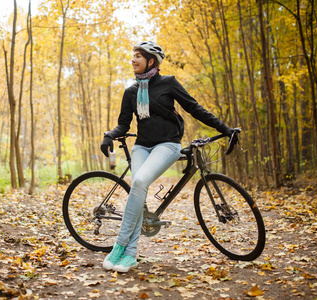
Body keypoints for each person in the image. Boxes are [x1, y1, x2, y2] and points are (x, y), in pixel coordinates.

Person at [100, 41, 235, 273]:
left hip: (168, 145)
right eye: (133, 56)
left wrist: (225, 129)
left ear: (151, 61)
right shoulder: (131, 91)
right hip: (142, 146)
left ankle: (119, 245)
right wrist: (109, 135)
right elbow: (123, 124)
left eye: (138, 57)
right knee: (138, 191)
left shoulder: (168, 83)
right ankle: (130, 254)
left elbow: (194, 108)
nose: (133, 60)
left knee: (140, 180)